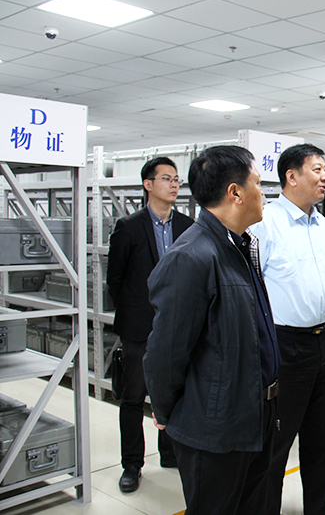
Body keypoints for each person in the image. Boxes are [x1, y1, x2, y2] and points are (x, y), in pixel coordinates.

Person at [142, 146, 280, 515]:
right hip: (215, 428)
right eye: (257, 184)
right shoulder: (192, 256)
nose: (263, 193)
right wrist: (169, 414)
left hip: (255, 414)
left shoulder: (239, 246)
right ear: (235, 193)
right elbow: (165, 353)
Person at [249, 143, 325, 515]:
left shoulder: (323, 225)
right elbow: (252, 285)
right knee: (277, 440)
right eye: (317, 169)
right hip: (285, 345)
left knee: (323, 436)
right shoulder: (265, 223)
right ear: (292, 176)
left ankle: (321, 508)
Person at [106, 157, 193, 493]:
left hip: (178, 327)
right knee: (132, 398)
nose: (174, 184)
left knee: (174, 394)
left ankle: (170, 453)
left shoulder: (187, 226)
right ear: (148, 184)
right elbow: (115, 280)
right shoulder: (128, 227)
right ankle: (132, 464)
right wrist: (136, 313)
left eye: (176, 179)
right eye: (166, 178)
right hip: (140, 328)